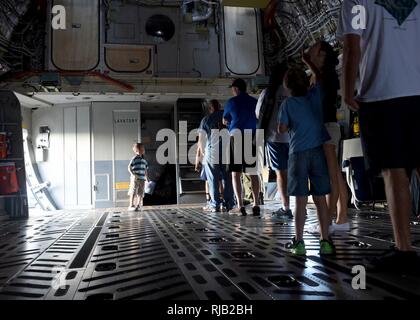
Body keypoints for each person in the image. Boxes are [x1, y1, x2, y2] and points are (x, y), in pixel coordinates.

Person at [339, 0, 420, 273]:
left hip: (381, 94)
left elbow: (352, 49)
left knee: (395, 173)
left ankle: (404, 250)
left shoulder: (356, 2)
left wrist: (347, 91)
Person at [278, 67, 335, 256]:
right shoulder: (315, 96)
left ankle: (299, 242)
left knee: (300, 201)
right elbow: (319, 75)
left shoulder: (287, 104)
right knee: (320, 199)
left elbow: (282, 129)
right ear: (306, 82)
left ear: (287, 88)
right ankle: (325, 241)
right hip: (318, 151)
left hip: (298, 154)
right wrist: (309, 62)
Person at [303, 41, 350, 233]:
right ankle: (341, 219)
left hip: (327, 128)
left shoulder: (326, 74)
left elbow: (321, 85)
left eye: (314, 47)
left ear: (321, 54)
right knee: (336, 175)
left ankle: (328, 221)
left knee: (331, 176)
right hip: (325, 127)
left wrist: (308, 63)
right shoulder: (318, 75)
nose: (310, 49)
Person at [256, 63, 292, 218]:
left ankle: (286, 208)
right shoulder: (293, 91)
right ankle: (300, 205)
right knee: (296, 172)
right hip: (293, 138)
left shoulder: (268, 92)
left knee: (281, 174)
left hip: (274, 137)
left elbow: (259, 113)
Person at [223, 79, 261, 216]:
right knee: (253, 172)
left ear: (236, 89)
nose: (232, 91)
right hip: (251, 136)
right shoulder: (254, 101)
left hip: (236, 136)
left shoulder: (231, 102)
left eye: (232, 88)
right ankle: (256, 204)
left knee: (235, 173)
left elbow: (225, 120)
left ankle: (240, 206)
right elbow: (258, 119)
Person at [197, 99, 235, 212]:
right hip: (227, 153)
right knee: (228, 179)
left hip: (212, 153)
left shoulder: (206, 120)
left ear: (210, 109)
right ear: (219, 106)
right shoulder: (228, 118)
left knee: (213, 179)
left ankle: (215, 205)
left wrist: (203, 153)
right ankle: (229, 204)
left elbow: (201, 140)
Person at [128, 143, 149, 211]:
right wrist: (133, 174)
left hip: (142, 179)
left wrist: (147, 177)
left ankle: (138, 205)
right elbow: (129, 167)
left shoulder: (144, 161)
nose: (143, 150)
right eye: (142, 148)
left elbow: (145, 170)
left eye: (143, 149)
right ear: (137, 150)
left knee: (141, 192)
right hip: (135, 178)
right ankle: (131, 205)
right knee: (133, 191)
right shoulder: (134, 158)